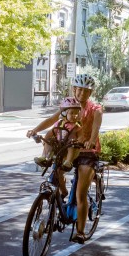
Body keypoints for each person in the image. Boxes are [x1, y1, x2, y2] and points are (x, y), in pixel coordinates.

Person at [27, 73, 103, 244]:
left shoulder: (96, 109)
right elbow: (52, 120)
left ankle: (80, 231)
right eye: (78, 90)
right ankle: (61, 193)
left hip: (87, 152)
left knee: (80, 193)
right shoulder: (68, 105)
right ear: (73, 89)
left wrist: (91, 141)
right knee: (56, 172)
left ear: (90, 93)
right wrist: (35, 130)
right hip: (68, 148)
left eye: (85, 91)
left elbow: (96, 127)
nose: (81, 94)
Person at [34, 96, 82, 172]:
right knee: (50, 141)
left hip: (68, 147)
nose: (75, 115)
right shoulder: (59, 123)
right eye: (72, 113)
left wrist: (80, 141)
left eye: (76, 113)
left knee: (72, 145)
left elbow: (81, 136)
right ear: (64, 113)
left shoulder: (77, 126)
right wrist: (45, 140)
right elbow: (50, 132)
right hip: (58, 146)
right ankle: (44, 157)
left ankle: (68, 162)